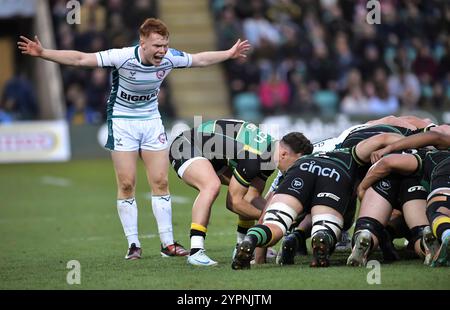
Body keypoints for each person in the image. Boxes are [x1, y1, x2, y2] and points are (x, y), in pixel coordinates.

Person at [18, 18, 251, 260]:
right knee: (127, 183)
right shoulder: (122, 57)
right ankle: (133, 244)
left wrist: (229, 53)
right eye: (157, 46)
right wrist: (43, 52)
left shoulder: (171, 57)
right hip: (121, 121)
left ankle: (167, 244)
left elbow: (200, 59)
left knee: (160, 182)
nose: (162, 51)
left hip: (151, 121)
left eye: (165, 45)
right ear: (142, 43)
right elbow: (81, 59)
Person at [231, 129, 406, 270]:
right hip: (335, 172)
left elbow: (266, 211)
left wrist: (259, 257)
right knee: (325, 225)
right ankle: (321, 237)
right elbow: (383, 138)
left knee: (274, 223)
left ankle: (250, 240)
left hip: (301, 171)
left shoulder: (296, 163)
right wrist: (410, 146)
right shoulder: (348, 151)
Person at [169, 119, 313, 266]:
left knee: (247, 190)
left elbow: (252, 197)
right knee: (211, 186)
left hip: (212, 155)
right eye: (297, 163)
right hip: (185, 145)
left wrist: (280, 214)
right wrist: (274, 220)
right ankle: (196, 251)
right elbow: (233, 203)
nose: (297, 169)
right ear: (284, 154)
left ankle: (241, 246)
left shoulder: (270, 156)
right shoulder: (254, 157)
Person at [357, 129, 450, 267]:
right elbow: (435, 136)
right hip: (412, 192)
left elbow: (386, 162)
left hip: (387, 182)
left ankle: (367, 234)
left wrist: (362, 188)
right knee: (419, 226)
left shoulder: (428, 155)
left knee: (436, 210)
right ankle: (424, 240)